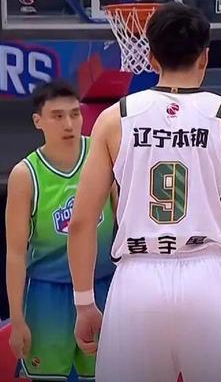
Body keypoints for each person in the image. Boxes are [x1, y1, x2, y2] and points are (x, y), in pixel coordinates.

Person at [66, 2, 221, 382]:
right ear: (205, 57)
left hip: (137, 278)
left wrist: (84, 303)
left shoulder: (114, 119)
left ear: (150, 57)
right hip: (210, 277)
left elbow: (81, 222)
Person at [5, 80, 116, 381]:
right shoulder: (25, 175)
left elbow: (124, 222)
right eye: (57, 116)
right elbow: (15, 253)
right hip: (47, 293)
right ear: (38, 121)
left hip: (102, 285)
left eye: (75, 114)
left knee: (106, 374)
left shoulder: (103, 154)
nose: (69, 124)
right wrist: (17, 319)